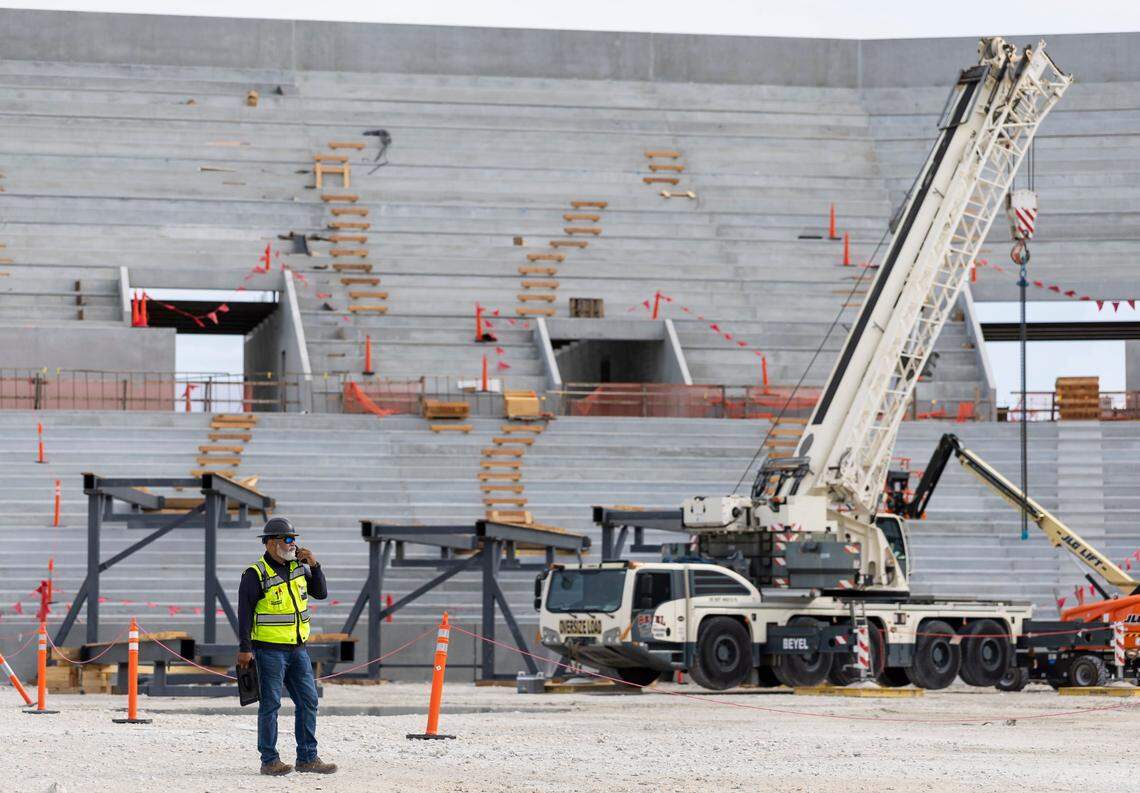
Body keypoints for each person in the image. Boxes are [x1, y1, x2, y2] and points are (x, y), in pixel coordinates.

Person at [237, 516, 337, 776]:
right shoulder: (255, 574)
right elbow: (244, 614)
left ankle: (307, 758)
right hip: (268, 650)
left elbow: (321, 593)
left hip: (297, 649)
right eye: (288, 540)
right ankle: (269, 760)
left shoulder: (300, 568)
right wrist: (245, 648)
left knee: (309, 701)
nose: (293, 545)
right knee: (270, 705)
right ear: (271, 543)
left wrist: (315, 566)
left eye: (294, 540)